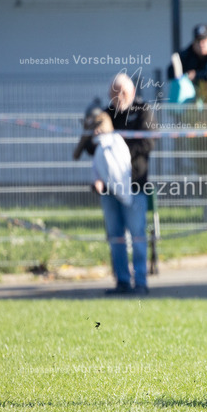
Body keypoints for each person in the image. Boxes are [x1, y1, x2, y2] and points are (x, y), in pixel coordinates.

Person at [73, 73, 154, 294]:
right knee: (116, 236)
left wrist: (119, 149)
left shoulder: (143, 112)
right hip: (108, 189)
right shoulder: (106, 114)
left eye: (124, 92)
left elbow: (148, 143)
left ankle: (141, 283)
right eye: (115, 92)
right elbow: (92, 147)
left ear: (133, 92)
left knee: (137, 236)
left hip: (135, 185)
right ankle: (122, 281)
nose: (119, 96)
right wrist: (96, 136)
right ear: (110, 94)